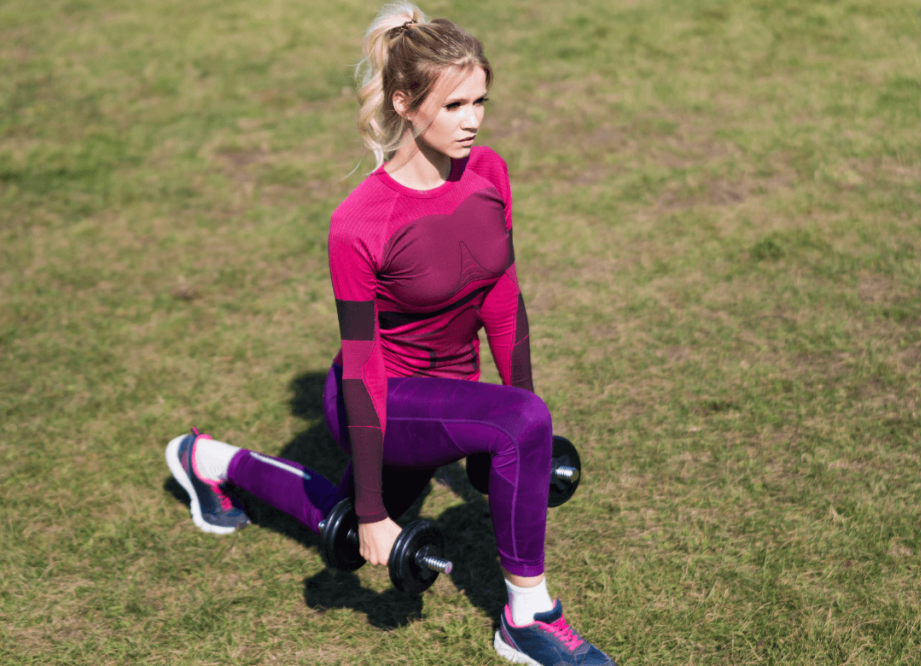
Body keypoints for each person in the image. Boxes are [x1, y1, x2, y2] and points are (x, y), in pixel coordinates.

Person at [164, 3, 614, 665]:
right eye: (455, 104)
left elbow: (501, 297)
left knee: (341, 513)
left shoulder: (488, 173)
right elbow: (362, 364)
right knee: (367, 519)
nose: (474, 119)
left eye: (480, 100)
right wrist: (375, 510)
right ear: (404, 102)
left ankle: (207, 461)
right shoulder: (359, 223)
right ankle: (529, 618)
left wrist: (515, 420)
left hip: (448, 396)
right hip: (381, 396)